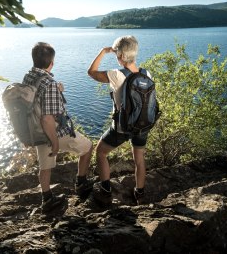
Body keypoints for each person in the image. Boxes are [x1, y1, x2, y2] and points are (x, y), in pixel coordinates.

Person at [23, 42, 93, 212]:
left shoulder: (28, 77)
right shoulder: (50, 84)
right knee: (88, 147)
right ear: (51, 63)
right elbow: (47, 119)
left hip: (36, 132)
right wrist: (55, 143)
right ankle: (81, 183)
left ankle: (46, 199)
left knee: (45, 167)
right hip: (54, 132)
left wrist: (57, 90)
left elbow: (37, 102)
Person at [87, 35, 150, 205]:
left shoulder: (117, 75)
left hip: (122, 127)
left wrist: (102, 52)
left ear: (120, 56)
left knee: (100, 152)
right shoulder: (146, 73)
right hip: (142, 124)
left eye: (116, 54)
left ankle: (106, 190)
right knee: (139, 160)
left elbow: (91, 72)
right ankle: (140, 193)